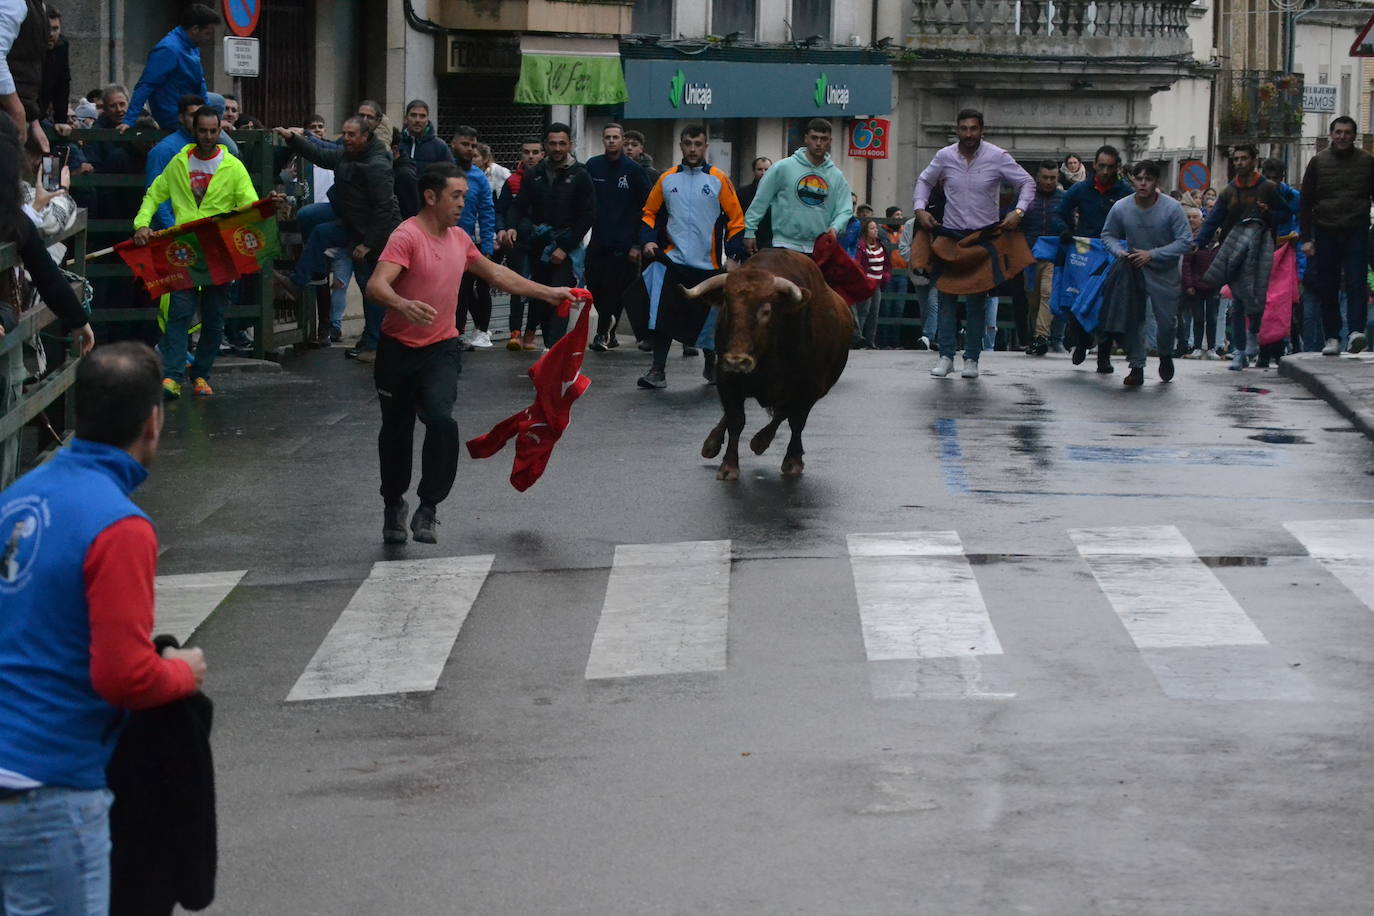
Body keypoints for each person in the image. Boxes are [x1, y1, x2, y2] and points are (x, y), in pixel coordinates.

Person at [0, 341, 205, 916]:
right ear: (153, 421)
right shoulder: (119, 526)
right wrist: (181, 672)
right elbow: (124, 677)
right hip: (50, 790)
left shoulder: (15, 501)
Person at [366, 163, 573, 544]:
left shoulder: (460, 239)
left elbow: (497, 274)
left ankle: (428, 507)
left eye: (465, 196)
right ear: (431, 197)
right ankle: (393, 503)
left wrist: (549, 293)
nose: (463, 203)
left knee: (441, 420)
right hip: (397, 350)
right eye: (456, 196)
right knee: (396, 431)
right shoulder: (406, 236)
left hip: (441, 348)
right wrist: (402, 304)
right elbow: (376, 285)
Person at [133, 107, 260, 399]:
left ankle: (201, 373)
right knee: (179, 313)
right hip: (185, 250)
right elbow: (154, 194)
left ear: (220, 131)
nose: (208, 136)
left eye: (213, 131)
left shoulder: (233, 167)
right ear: (194, 129)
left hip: (218, 252)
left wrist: (263, 210)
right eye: (203, 130)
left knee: (214, 317)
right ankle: (173, 376)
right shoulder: (179, 163)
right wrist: (142, 224)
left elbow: (250, 205)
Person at [913, 107, 1034, 379]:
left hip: (982, 238)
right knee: (945, 297)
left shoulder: (997, 156)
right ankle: (946, 356)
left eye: (973, 128)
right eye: (964, 128)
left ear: (982, 130)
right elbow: (924, 181)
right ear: (957, 130)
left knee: (977, 302)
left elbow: (1027, 182)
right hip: (950, 235)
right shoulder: (944, 156)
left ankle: (971, 359)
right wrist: (920, 208)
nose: (968, 134)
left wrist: (1019, 211)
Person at [277, 115, 401, 363]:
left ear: (365, 137)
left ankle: (374, 344)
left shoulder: (377, 165)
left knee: (370, 286)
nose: (345, 138)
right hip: (353, 222)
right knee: (316, 226)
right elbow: (320, 155)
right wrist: (294, 139)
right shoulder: (347, 155)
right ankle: (301, 280)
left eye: (351, 135)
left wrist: (368, 244)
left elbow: (384, 208)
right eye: (344, 133)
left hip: (376, 234)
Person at [636, 123, 744, 389]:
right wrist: (648, 240)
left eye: (697, 144)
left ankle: (711, 363)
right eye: (688, 144)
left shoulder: (719, 179)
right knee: (662, 314)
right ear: (681, 146)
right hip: (673, 261)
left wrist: (733, 255)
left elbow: (736, 220)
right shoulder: (667, 178)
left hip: (709, 265)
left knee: (708, 319)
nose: (693, 149)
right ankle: (657, 370)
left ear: (705, 146)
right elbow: (649, 213)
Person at [1191, 143, 1290, 370]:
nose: (1239, 163)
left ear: (1254, 161)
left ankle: (1253, 333)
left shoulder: (1267, 188)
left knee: (1256, 297)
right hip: (1234, 249)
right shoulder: (1229, 190)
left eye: (1243, 158)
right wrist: (1199, 242)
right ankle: (1240, 350)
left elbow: (1285, 214)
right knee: (1237, 300)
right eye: (1235, 159)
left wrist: (1268, 213)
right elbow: (1214, 219)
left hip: (1260, 248)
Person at [499, 121, 594, 349]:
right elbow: (519, 205)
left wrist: (565, 247)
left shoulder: (580, 174)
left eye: (562, 143)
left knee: (561, 298)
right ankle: (548, 348)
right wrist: (511, 226)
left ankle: (554, 348)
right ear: (546, 145)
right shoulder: (534, 174)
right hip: (538, 245)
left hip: (567, 249)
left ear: (570, 144)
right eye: (553, 144)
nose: (557, 148)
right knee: (540, 298)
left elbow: (588, 214)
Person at [1100, 159, 1192, 386]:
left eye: (1148, 179)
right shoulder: (1121, 207)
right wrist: (1119, 251)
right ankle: (1136, 366)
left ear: (1156, 181)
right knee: (1135, 318)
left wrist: (1153, 254)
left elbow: (1185, 241)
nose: (1142, 184)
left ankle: (1165, 354)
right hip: (1135, 270)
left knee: (1167, 322)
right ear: (1132, 180)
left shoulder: (1172, 208)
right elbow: (1108, 234)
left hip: (1166, 272)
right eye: (1138, 179)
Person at [1299, 115, 1373, 355]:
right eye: (1338, 132)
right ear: (1331, 134)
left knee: (1356, 281)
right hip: (1326, 228)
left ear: (1354, 136)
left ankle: (1356, 332)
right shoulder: (1318, 162)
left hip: (1356, 228)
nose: (1342, 136)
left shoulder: (1367, 162)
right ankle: (1332, 336)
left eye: (1347, 132)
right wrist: (1306, 238)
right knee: (1328, 284)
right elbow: (1306, 202)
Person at [1056, 143, 1133, 367]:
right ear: (1094, 166)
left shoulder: (1125, 193)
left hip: (1113, 254)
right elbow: (1058, 212)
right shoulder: (1080, 189)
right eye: (1102, 166)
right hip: (1085, 252)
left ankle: (1104, 356)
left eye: (1110, 167)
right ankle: (1082, 341)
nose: (1105, 171)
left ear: (1117, 167)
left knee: (1106, 303)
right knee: (1079, 298)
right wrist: (1065, 230)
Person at [743, 119, 851, 258]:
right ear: (806, 139)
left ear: (830, 141)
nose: (818, 143)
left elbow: (845, 209)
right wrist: (749, 231)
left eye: (824, 139)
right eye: (814, 138)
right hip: (784, 245)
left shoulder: (836, 176)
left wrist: (836, 228)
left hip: (820, 248)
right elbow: (761, 200)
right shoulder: (783, 167)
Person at [585, 122, 649, 352]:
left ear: (622, 140)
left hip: (624, 243)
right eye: (608, 137)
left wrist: (637, 244)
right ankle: (608, 328)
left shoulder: (634, 170)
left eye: (615, 137)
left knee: (614, 289)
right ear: (603, 140)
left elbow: (646, 208)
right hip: (598, 239)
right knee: (594, 285)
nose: (611, 141)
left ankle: (603, 332)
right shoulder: (593, 166)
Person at [143, 94, 240, 230]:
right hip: (175, 231)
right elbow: (156, 197)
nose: (199, 119)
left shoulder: (211, 149)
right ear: (181, 118)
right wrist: (174, 230)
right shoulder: (164, 150)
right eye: (193, 115)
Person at [121, 4, 217, 131]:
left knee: (219, 102)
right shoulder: (168, 50)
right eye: (207, 33)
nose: (210, 38)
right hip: (175, 115)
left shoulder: (192, 46)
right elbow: (145, 86)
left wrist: (209, 113)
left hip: (190, 107)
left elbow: (200, 82)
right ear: (195, 30)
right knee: (226, 141)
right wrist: (129, 120)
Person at [448, 125, 496, 349]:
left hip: (465, 244)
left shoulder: (478, 178)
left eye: (473, 145)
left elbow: (487, 212)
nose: (469, 149)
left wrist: (487, 246)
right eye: (465, 144)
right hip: (439, 240)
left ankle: (457, 334)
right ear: (453, 144)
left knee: (464, 291)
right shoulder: (444, 171)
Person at [497, 136, 544, 350]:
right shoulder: (512, 181)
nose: (531, 156)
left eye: (535, 152)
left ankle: (530, 333)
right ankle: (515, 333)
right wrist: (503, 229)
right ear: (521, 154)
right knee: (516, 287)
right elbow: (502, 209)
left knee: (538, 289)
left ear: (542, 154)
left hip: (541, 243)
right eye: (527, 152)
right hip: (518, 243)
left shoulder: (549, 179)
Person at [1019, 158, 1067, 356]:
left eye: (1052, 178)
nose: (1049, 181)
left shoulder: (1064, 198)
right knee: (1033, 301)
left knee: (1048, 293)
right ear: (1038, 177)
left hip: (1053, 256)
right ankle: (1035, 337)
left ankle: (1042, 336)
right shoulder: (1027, 197)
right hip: (1029, 256)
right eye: (1045, 177)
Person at [0, 0, 48, 150]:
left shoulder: (36, 5)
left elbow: (30, 65)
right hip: (6, 115)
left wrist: (33, 120)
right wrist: (17, 111)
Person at [1179, 205, 1220, 359]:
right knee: (1198, 318)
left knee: (1212, 318)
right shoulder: (1195, 242)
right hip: (1196, 286)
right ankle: (1196, 347)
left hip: (1213, 286)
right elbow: (1186, 264)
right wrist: (1189, 284)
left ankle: (1211, 348)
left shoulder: (1219, 245)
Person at [854, 217, 889, 349]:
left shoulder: (880, 245)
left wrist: (885, 276)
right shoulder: (861, 246)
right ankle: (858, 339)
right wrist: (864, 279)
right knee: (863, 311)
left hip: (877, 284)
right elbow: (858, 264)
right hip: (866, 284)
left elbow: (886, 264)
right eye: (872, 228)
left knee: (874, 313)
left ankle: (871, 340)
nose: (875, 231)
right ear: (866, 231)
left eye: (876, 228)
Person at [400, 99, 453, 169]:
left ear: (427, 120)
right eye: (413, 115)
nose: (417, 120)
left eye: (422, 116)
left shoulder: (440, 147)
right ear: (406, 119)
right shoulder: (396, 143)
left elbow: (450, 173)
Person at [39, 3, 67, 124]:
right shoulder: (28, 48)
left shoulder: (61, 47)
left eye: (55, 29)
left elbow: (63, 84)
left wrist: (61, 120)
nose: (51, 34)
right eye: (47, 28)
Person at [738, 156, 773, 251]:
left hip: (772, 244)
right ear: (753, 171)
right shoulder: (742, 193)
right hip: (749, 244)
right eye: (760, 169)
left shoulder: (778, 194)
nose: (763, 173)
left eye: (767, 169)